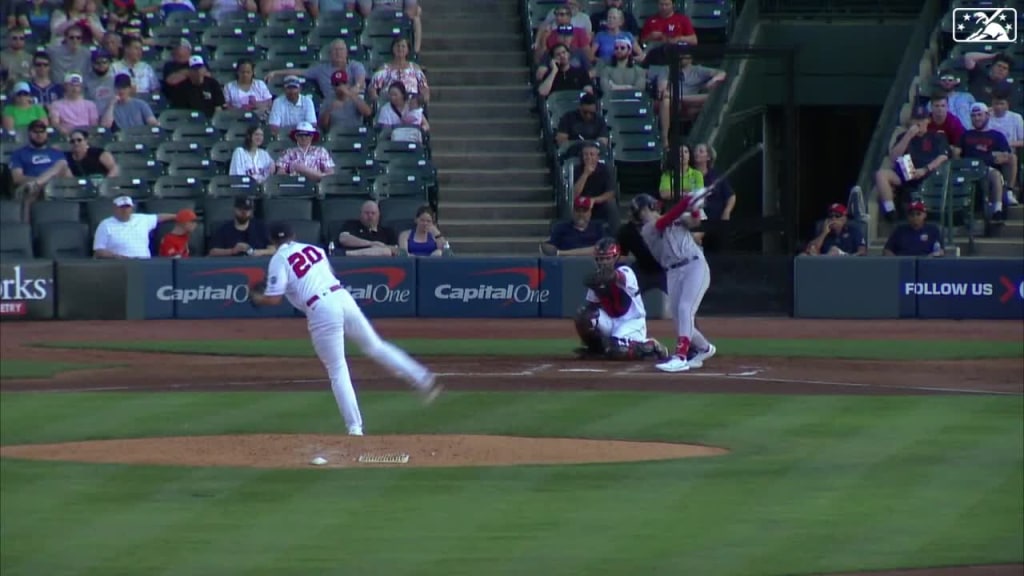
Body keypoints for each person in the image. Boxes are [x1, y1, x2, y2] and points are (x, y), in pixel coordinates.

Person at [249, 221, 443, 436]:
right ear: (293, 235)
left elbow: (274, 299)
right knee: (375, 346)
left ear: (272, 241)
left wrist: (259, 298)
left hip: (321, 308)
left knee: (337, 368)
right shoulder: (313, 249)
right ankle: (422, 377)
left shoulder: (279, 259)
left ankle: (355, 428)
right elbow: (319, 276)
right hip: (342, 297)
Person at [637, 188, 716, 373]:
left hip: (694, 266)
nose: (644, 215)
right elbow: (665, 221)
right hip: (672, 272)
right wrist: (687, 201)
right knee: (679, 319)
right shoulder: (647, 230)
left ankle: (680, 356)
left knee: (685, 308)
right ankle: (705, 348)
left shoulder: (675, 218)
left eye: (645, 210)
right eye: (640, 213)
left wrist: (695, 207)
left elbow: (694, 220)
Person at [572, 237, 670, 361]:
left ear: (615, 257)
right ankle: (596, 350)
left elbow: (617, 277)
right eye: (601, 259)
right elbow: (592, 306)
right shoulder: (596, 278)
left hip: (632, 322)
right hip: (610, 320)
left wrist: (604, 278)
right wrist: (593, 332)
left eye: (607, 258)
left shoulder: (626, 271)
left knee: (618, 351)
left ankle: (651, 345)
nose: (603, 262)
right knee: (583, 315)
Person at [92, 195, 176, 259]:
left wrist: (178, 216)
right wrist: (117, 257)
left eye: (127, 207)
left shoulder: (142, 219)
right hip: (119, 264)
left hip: (144, 263)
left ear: (132, 208)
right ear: (115, 208)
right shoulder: (105, 225)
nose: (125, 210)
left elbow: (159, 217)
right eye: (121, 207)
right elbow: (99, 250)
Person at [207, 196, 276, 256]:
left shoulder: (260, 227)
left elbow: (273, 249)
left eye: (247, 209)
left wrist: (258, 252)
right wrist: (232, 251)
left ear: (251, 211)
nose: (244, 212)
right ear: (234, 209)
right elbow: (213, 252)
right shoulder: (224, 229)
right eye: (241, 209)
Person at [803, 203, 867, 257]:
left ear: (845, 219)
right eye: (831, 216)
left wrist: (846, 256)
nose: (833, 218)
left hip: (847, 264)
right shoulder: (824, 232)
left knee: (834, 251)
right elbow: (810, 249)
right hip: (825, 265)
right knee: (803, 255)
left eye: (837, 215)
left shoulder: (854, 231)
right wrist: (824, 233)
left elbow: (862, 252)